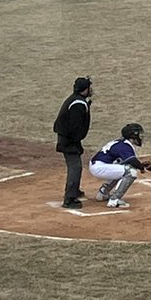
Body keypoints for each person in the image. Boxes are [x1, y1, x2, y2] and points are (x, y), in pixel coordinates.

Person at [53, 76, 93, 209]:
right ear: (85, 89)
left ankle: (74, 191)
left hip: (68, 138)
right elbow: (75, 126)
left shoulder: (75, 100)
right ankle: (69, 198)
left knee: (76, 166)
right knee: (75, 167)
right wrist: (75, 142)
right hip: (69, 140)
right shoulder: (78, 104)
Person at [89, 123, 148, 209]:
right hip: (100, 167)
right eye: (139, 134)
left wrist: (140, 165)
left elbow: (127, 161)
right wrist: (141, 167)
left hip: (98, 165)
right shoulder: (124, 146)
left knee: (123, 168)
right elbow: (132, 160)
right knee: (131, 172)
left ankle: (103, 193)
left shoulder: (120, 142)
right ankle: (114, 200)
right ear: (133, 136)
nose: (141, 136)